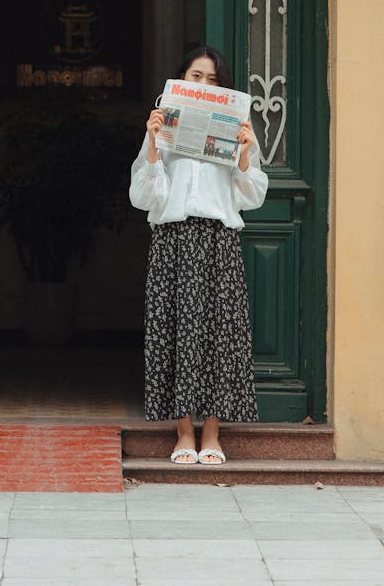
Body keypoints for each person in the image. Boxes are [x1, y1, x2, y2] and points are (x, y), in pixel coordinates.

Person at [129, 45, 268, 466]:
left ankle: (212, 433)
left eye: (211, 79)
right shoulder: (162, 128)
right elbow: (142, 195)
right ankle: (183, 432)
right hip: (172, 240)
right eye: (195, 76)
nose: (203, 84)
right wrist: (154, 144)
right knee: (175, 333)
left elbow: (252, 196)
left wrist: (244, 151)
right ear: (181, 80)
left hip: (217, 241)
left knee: (217, 336)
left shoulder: (239, 130)